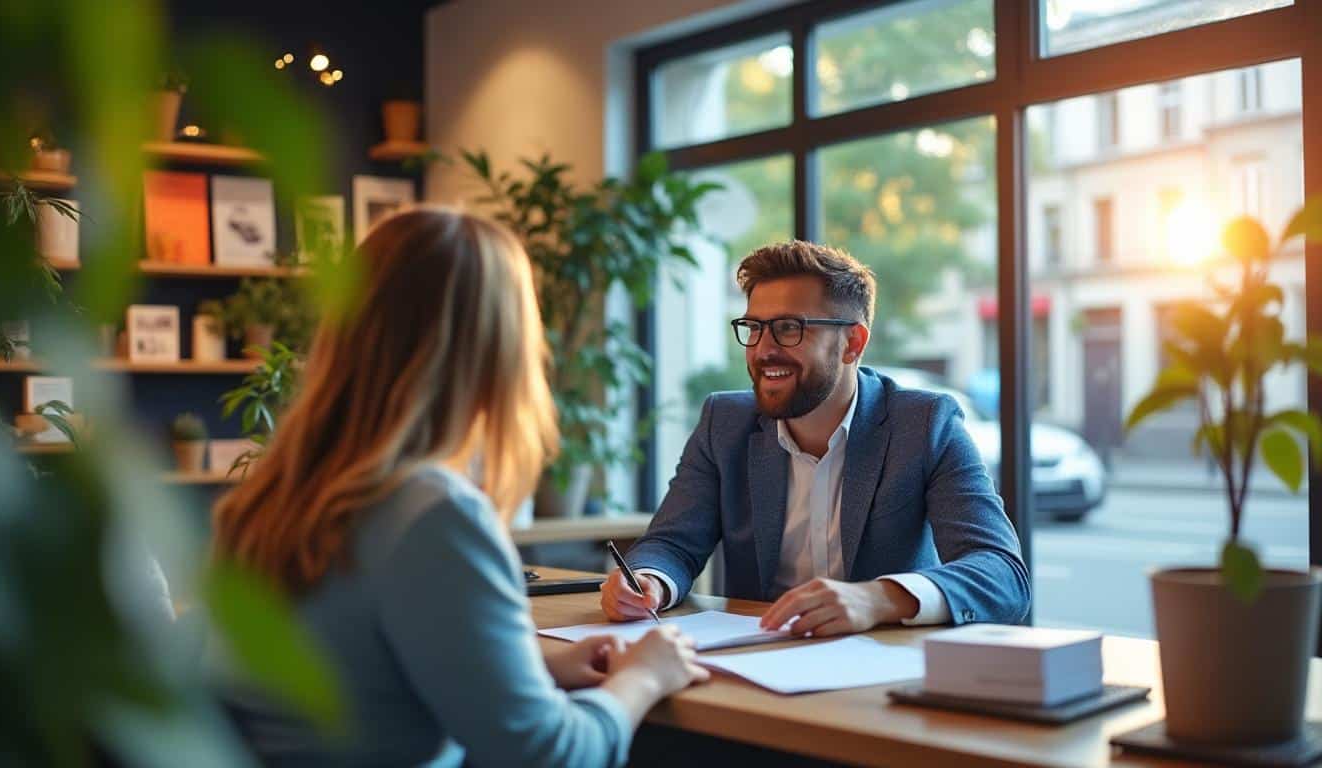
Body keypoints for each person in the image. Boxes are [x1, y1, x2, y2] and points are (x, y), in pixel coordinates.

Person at [212, 207, 707, 768]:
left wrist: (532, 667)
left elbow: (358, 673)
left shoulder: (271, 500)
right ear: (498, 350)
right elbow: (550, 756)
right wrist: (644, 677)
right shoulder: (433, 514)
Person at [601, 240, 1030, 635]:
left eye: (788, 328)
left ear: (852, 343)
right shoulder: (724, 422)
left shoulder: (923, 425)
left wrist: (878, 598)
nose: (763, 349)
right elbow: (672, 543)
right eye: (754, 327)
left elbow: (1003, 575)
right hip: (755, 664)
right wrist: (649, 579)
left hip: (883, 676)